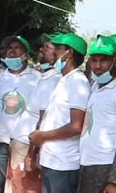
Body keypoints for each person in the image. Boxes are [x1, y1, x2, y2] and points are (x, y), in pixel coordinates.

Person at [28, 33, 90, 193]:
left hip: (64, 163)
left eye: (57, 48)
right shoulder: (64, 80)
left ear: (68, 53)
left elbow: (76, 126)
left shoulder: (77, 82)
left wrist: (43, 136)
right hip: (51, 160)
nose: (53, 52)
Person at [78, 36, 116, 193]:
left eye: (103, 60)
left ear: (114, 60)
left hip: (105, 166)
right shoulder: (96, 85)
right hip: (86, 162)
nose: (97, 66)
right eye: (93, 60)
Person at [0, 36, 40, 193]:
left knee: (21, 184)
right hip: (0, 138)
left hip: (24, 141)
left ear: (26, 54)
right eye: (9, 48)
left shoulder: (38, 79)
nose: (11, 50)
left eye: (17, 47)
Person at [9, 34, 60, 193]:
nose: (41, 50)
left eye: (47, 48)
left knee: (26, 188)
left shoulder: (53, 80)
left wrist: (32, 152)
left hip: (27, 144)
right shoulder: (45, 77)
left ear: (56, 55)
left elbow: (43, 119)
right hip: (21, 142)